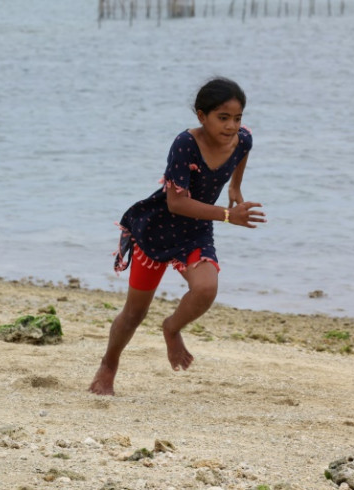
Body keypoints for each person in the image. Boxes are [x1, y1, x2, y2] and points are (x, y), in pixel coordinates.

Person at [89, 77, 266, 396]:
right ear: (202, 116)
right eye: (222, 118)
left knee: (206, 288)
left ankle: (171, 327)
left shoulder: (242, 140)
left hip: (196, 230)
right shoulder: (185, 144)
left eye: (237, 118)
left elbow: (243, 151)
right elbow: (176, 202)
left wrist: (235, 187)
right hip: (157, 230)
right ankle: (108, 367)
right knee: (134, 313)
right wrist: (228, 216)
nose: (231, 126)